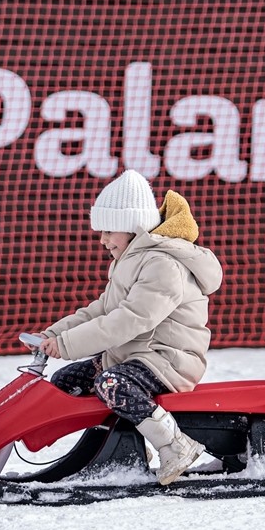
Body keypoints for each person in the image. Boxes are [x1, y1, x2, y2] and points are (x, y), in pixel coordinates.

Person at [39, 169, 223, 485]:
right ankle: (120, 446)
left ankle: (175, 445)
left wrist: (69, 344)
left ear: (133, 227)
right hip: (135, 357)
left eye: (109, 230)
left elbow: (132, 319)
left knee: (112, 384)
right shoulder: (130, 259)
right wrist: (55, 334)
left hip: (167, 360)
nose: (102, 239)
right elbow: (101, 310)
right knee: (66, 380)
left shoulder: (163, 264)